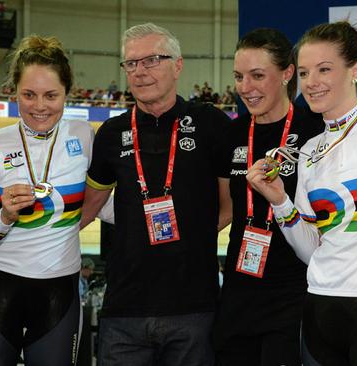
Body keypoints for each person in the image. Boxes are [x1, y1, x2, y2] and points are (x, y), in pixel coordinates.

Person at [247, 22, 357, 365]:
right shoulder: (310, 150)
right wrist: (279, 200)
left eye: (325, 69)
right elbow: (311, 250)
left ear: (354, 70)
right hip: (318, 306)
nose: (311, 82)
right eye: (306, 72)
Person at [79, 22, 231, 365]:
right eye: (131, 63)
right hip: (124, 311)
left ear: (177, 65)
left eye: (151, 60)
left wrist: (190, 241)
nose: (139, 71)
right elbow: (87, 209)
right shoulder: (112, 133)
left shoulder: (211, 124)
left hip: (194, 308)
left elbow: (229, 204)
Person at [0, 35, 110, 365]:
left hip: (60, 293)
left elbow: (104, 204)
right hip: (0, 288)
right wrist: (4, 217)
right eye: (28, 95)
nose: (39, 105)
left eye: (51, 95)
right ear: (14, 93)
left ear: (67, 94)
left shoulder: (83, 137)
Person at [213, 28, 324, 366]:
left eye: (257, 75)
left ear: (287, 74)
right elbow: (226, 209)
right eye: (239, 76)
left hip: (294, 292)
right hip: (238, 290)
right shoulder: (231, 133)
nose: (245, 87)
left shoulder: (315, 129)